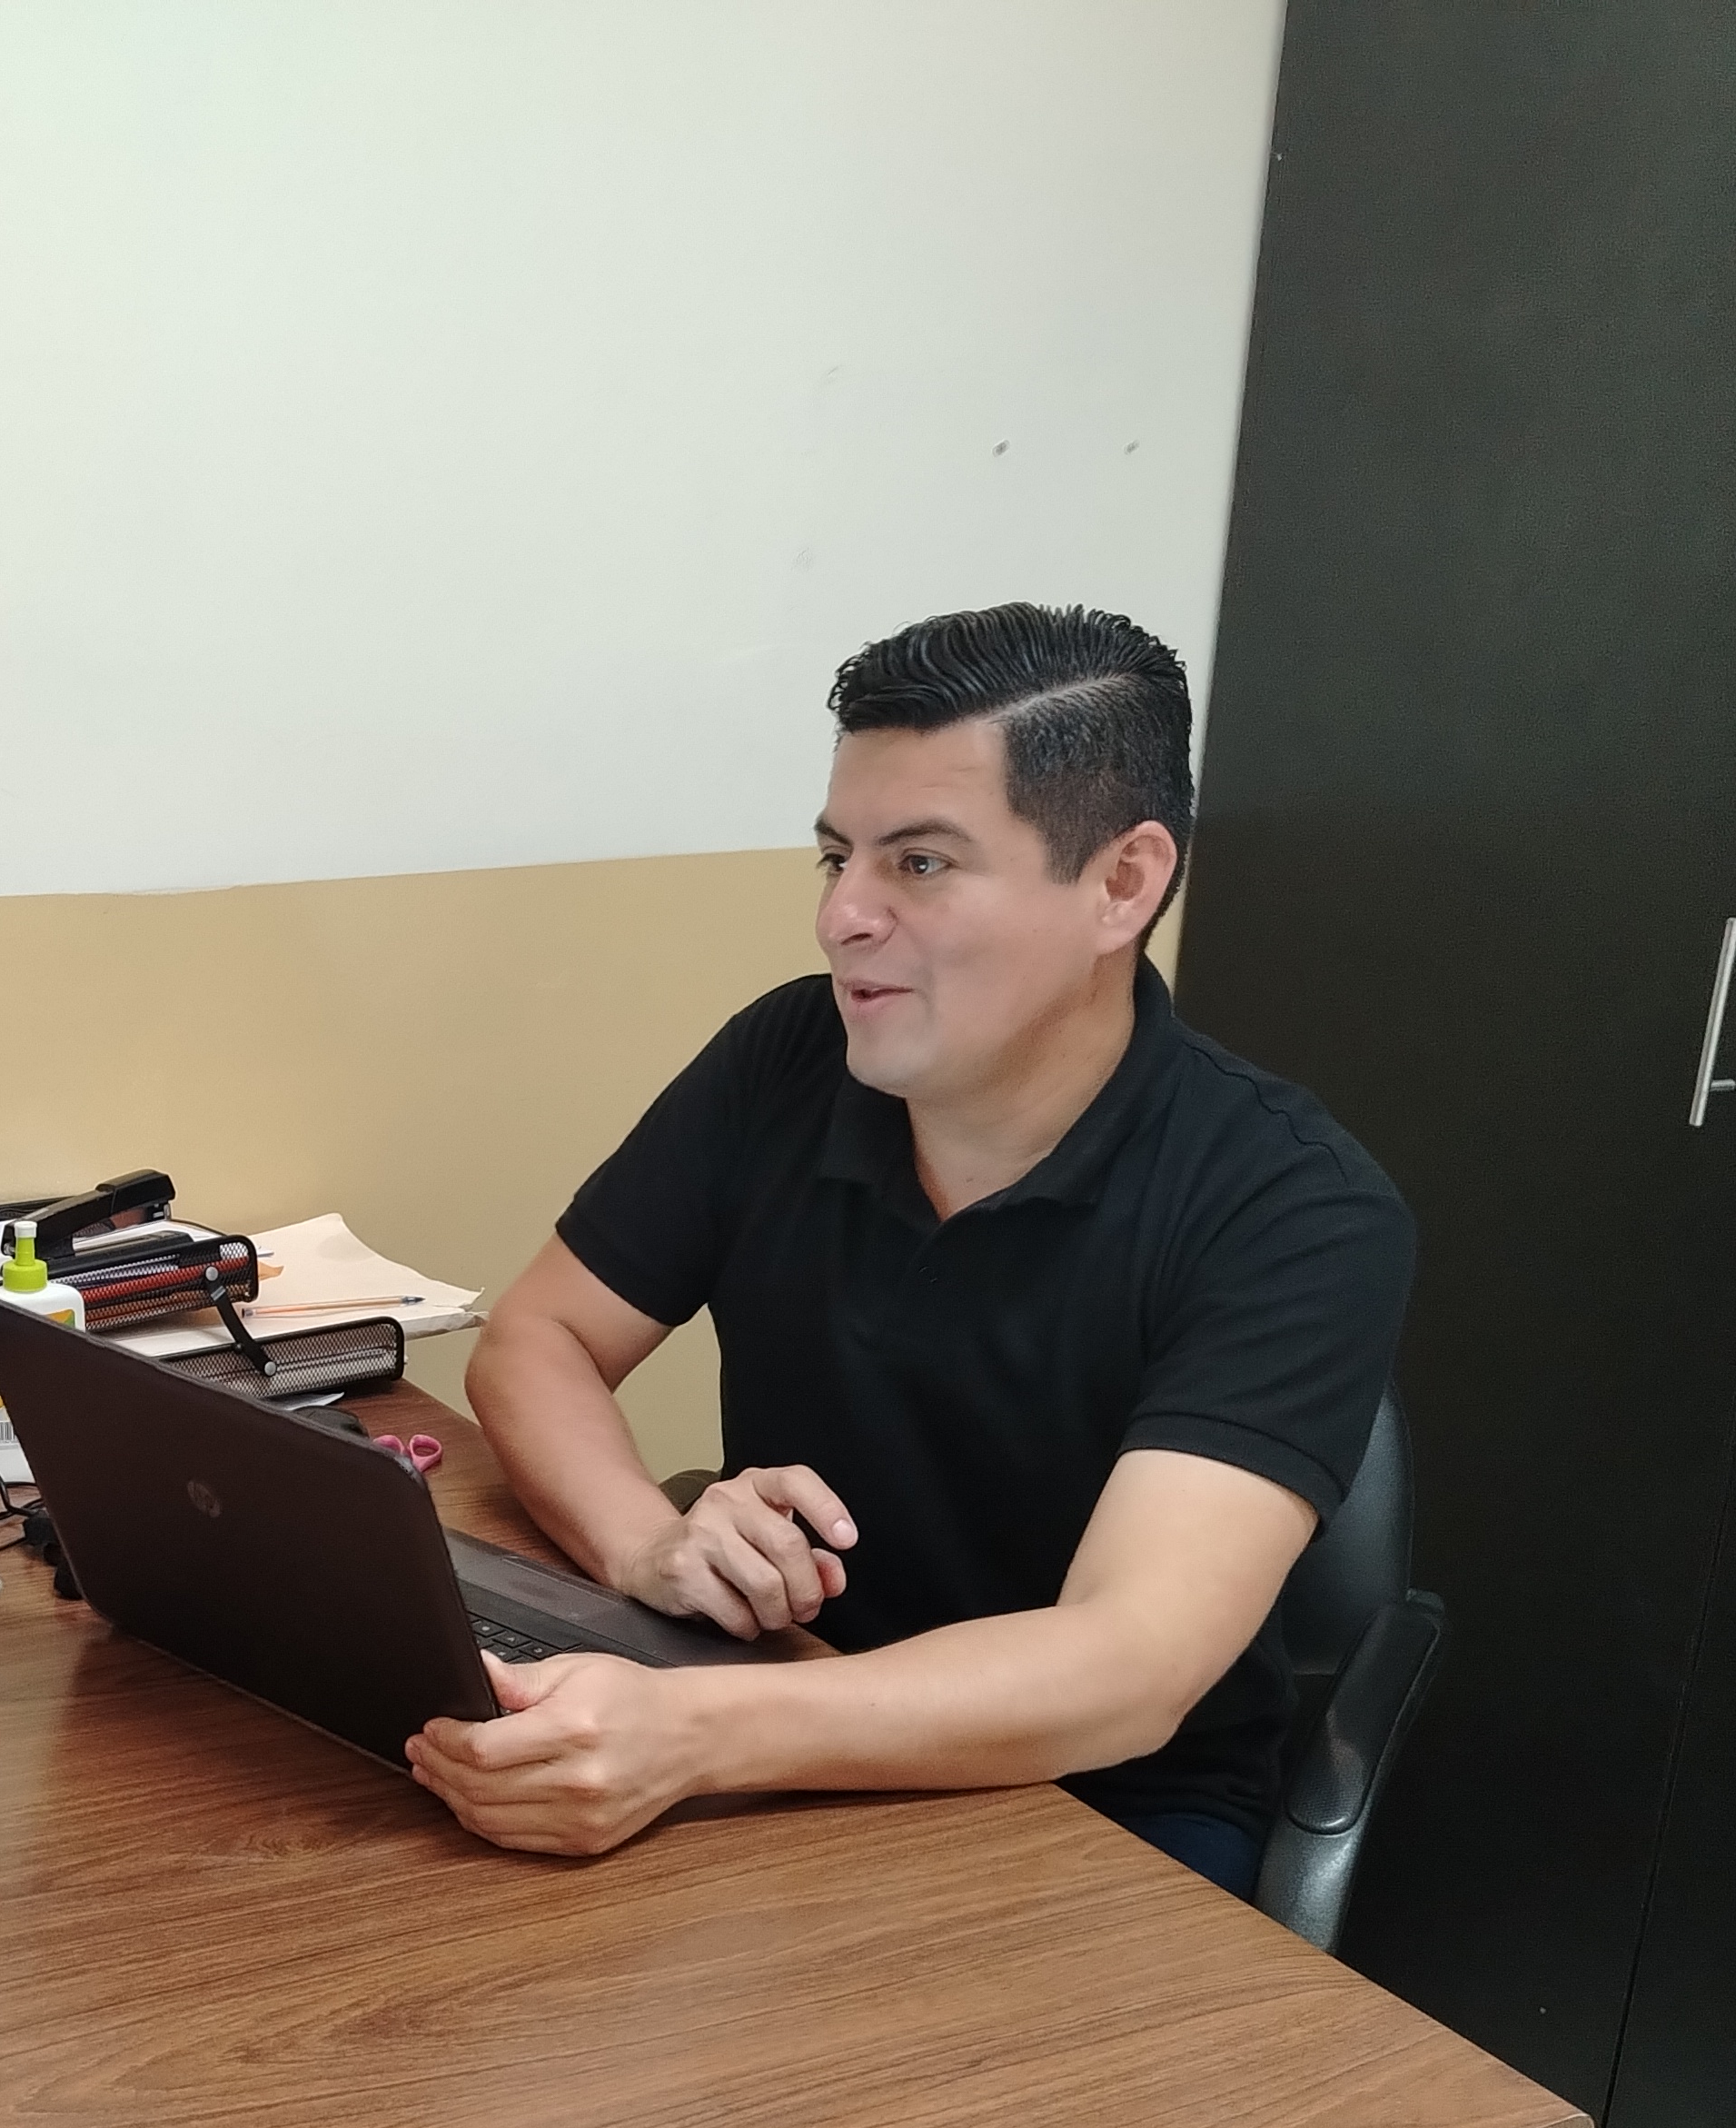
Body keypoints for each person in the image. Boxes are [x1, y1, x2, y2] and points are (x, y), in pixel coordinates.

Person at [421, 603, 1410, 1893]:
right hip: (778, 1709)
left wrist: (698, 1733)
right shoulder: (788, 1059)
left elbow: (1126, 1668)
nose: (842, 917)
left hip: (1096, 1812)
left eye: (921, 863)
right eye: (837, 857)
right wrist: (642, 1545)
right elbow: (540, 1339)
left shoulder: (1292, 1204)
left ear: (1121, 884)